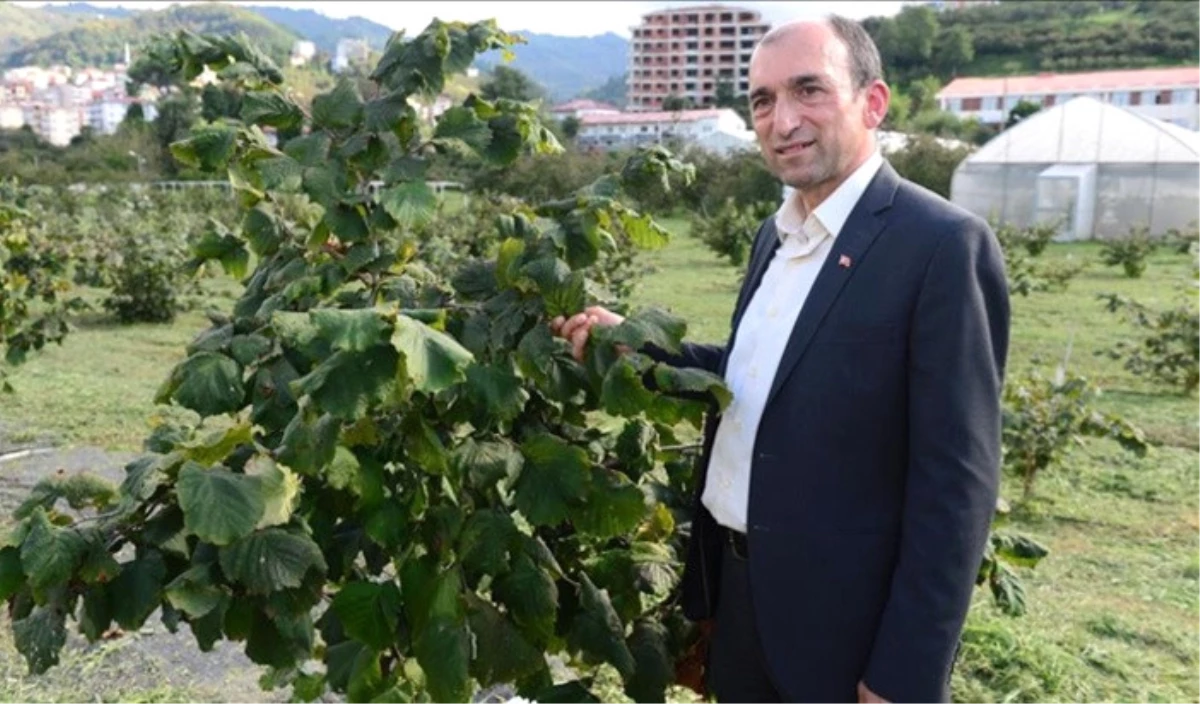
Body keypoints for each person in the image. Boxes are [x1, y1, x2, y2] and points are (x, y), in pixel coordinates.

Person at [551, 15, 1009, 704]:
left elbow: (958, 486)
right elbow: (752, 378)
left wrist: (904, 673)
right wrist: (634, 340)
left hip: (842, 625)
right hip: (742, 599)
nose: (781, 119)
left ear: (873, 102)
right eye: (762, 100)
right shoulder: (778, 233)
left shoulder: (941, 246)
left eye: (809, 91)